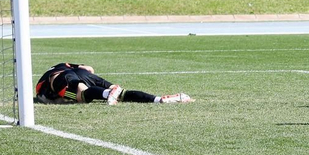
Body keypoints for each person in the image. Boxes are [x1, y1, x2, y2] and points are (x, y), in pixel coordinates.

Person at [34, 62, 192, 104]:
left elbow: (41, 93)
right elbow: (88, 68)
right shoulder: (66, 64)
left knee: (82, 95)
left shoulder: (47, 79)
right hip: (84, 74)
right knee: (121, 94)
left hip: (59, 80)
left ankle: (107, 93)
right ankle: (157, 99)